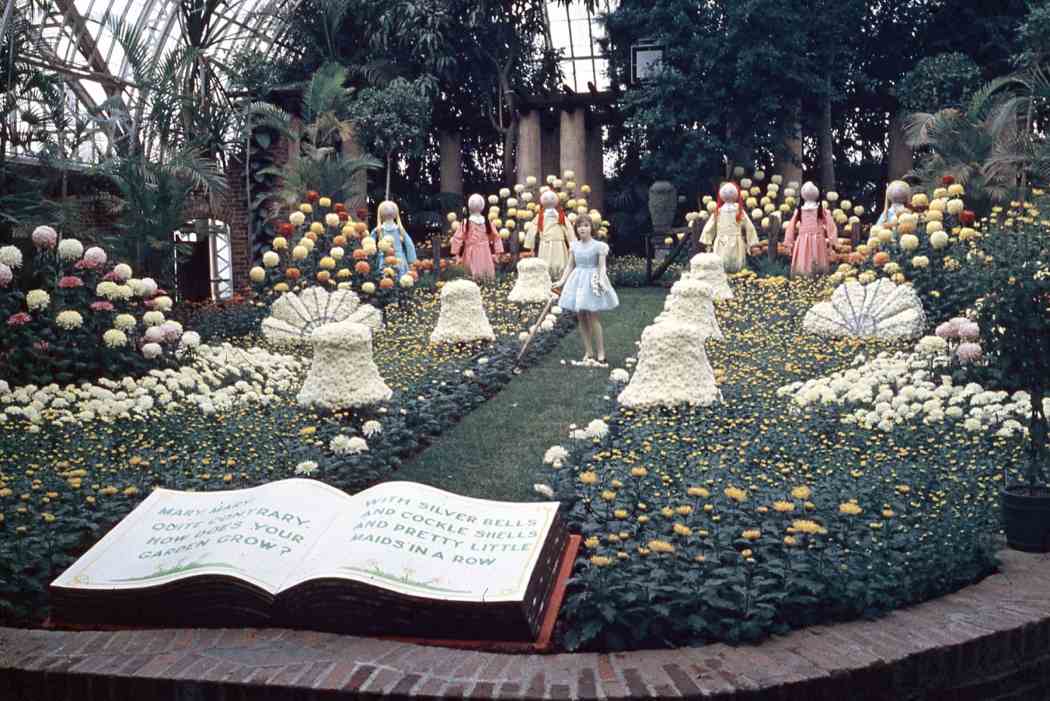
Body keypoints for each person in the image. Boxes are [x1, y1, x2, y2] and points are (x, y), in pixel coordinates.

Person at [552, 215, 618, 364]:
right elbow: (570, 265)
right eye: (580, 226)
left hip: (592, 280)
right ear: (576, 229)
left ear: (591, 228)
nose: (583, 228)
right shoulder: (574, 245)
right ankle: (589, 351)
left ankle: (601, 352)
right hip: (577, 280)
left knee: (593, 315)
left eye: (586, 225)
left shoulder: (598, 246)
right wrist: (562, 281)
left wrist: (601, 278)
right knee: (581, 315)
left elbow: (602, 266)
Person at [699, 182, 760, 273]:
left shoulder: (718, 212)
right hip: (735, 242)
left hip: (722, 242)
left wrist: (707, 241)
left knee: (721, 264)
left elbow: (709, 227)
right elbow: (749, 227)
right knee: (736, 265)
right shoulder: (738, 211)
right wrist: (752, 242)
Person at [783, 181, 837, 276]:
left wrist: (789, 241)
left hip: (804, 241)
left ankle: (805, 276)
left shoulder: (804, 210)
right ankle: (812, 277)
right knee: (817, 259)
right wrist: (832, 240)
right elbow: (830, 225)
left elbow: (791, 226)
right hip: (817, 241)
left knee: (803, 259)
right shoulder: (818, 209)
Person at [524, 190, 575, 278]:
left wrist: (572, 242)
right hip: (545, 242)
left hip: (558, 242)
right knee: (545, 263)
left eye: (551, 198)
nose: (549, 200)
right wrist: (530, 244)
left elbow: (567, 228)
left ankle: (561, 278)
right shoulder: (540, 216)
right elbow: (533, 228)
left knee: (560, 263)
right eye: (546, 198)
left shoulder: (560, 215)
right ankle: (546, 278)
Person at [451, 194, 503, 280]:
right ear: (482, 206)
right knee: (485, 275)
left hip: (471, 253)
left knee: (471, 276)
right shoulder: (486, 222)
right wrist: (497, 253)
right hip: (485, 253)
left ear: (469, 206)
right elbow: (496, 237)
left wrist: (456, 255)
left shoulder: (466, 222)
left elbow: (457, 238)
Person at [370, 200, 416, 276]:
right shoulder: (400, 230)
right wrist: (412, 260)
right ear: (395, 214)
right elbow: (409, 245)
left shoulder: (378, 230)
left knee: (384, 280)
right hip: (399, 260)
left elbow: (369, 244)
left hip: (383, 260)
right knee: (400, 281)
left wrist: (370, 258)